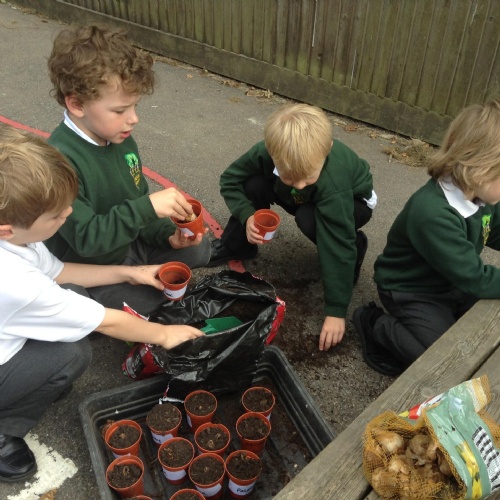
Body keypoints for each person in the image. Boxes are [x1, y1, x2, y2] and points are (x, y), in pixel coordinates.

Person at [0, 125, 205, 483]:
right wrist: (165, 334)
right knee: (71, 354)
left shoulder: (16, 239)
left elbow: (59, 271)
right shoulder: (15, 280)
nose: (68, 214)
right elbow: (106, 321)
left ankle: (29, 381)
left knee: (73, 301)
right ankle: (6, 427)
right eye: (56, 215)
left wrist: (129, 273)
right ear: (7, 229)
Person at [45, 24, 210, 315]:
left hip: (127, 244)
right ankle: (102, 301)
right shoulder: (59, 163)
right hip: (93, 266)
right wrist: (146, 208)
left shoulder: (119, 138)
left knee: (199, 249)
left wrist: (168, 236)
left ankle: (140, 275)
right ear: (77, 104)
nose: (133, 119)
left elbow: (137, 201)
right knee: (150, 302)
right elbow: (87, 240)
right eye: (120, 110)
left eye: (134, 106)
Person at [209, 103, 377, 351]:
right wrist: (248, 216)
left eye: (307, 177)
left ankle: (357, 245)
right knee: (253, 184)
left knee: (310, 219)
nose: (298, 185)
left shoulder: (333, 182)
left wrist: (336, 311)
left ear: (327, 150)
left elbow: (337, 245)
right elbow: (231, 179)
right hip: (306, 197)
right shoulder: (267, 152)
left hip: (352, 204)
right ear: (271, 152)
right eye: (289, 177)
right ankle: (237, 245)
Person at [353, 99, 500, 377]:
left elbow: (496, 233)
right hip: (412, 290)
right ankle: (376, 325)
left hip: (450, 280)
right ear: (480, 169)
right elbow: (475, 277)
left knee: (488, 324)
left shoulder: (484, 197)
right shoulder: (433, 212)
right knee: (443, 360)